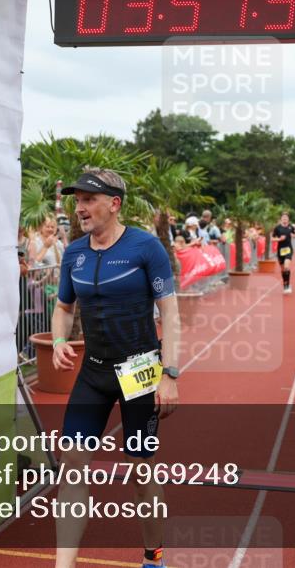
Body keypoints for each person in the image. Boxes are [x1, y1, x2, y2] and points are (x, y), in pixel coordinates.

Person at [51, 167, 180, 568]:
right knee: (72, 462)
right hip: (94, 370)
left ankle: (153, 557)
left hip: (140, 369)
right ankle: (63, 564)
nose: (81, 208)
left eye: (89, 200)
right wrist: (58, 340)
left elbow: (171, 315)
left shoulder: (146, 248)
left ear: (114, 203)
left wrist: (169, 373)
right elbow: (62, 308)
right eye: (77, 201)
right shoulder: (74, 252)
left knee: (141, 471)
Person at [272, 212, 295, 294]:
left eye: (286, 217)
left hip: (288, 249)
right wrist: (279, 239)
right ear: (281, 219)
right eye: (283, 217)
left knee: (286, 267)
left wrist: (293, 236)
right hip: (280, 250)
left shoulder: (291, 227)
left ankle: (288, 285)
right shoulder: (277, 228)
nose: (285, 219)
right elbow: (272, 238)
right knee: (282, 269)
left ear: (288, 219)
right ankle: (285, 283)